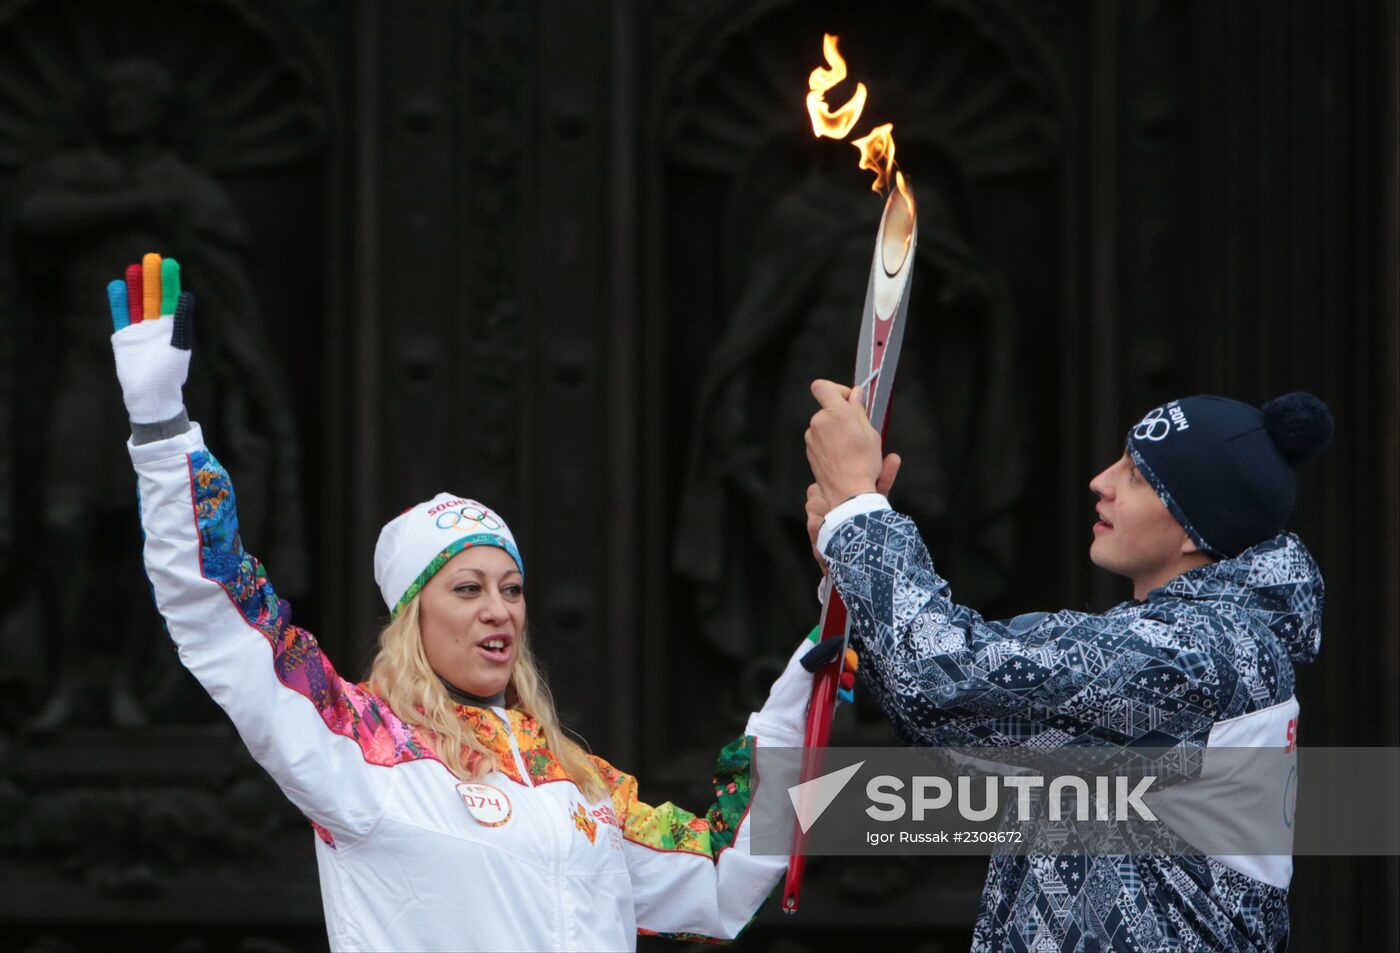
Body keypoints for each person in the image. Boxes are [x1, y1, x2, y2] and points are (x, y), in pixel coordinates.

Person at [106, 252, 833, 952]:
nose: (500, 610)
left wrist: (805, 684)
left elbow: (721, 876)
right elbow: (223, 617)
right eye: (467, 588)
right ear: (413, 617)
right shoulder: (356, 747)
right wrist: (162, 429)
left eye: (512, 589)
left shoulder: (580, 786)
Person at [803, 379, 1332, 952]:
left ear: (1193, 526)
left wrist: (858, 513)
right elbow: (967, 738)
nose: (1100, 483)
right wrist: (851, 558)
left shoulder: (1200, 656)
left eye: (1136, 474)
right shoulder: (1214, 645)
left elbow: (949, 675)